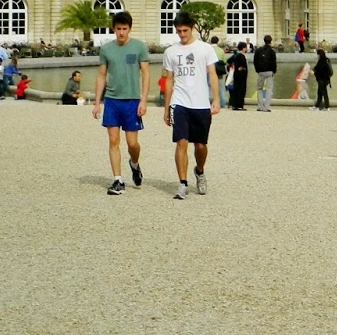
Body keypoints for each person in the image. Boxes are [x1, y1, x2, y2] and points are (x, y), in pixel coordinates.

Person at [162, 11, 221, 200]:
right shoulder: (171, 51)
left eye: (185, 30)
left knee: (201, 145)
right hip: (179, 102)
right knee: (181, 142)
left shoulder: (205, 49)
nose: (182, 34)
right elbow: (169, 79)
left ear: (192, 28)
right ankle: (182, 183)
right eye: (179, 31)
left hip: (201, 103)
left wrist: (216, 99)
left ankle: (200, 170)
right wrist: (166, 107)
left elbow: (212, 74)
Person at [94, 11, 151, 195]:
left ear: (129, 29)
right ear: (113, 29)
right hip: (112, 100)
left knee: (132, 144)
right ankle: (118, 179)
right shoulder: (106, 49)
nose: (121, 32)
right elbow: (101, 75)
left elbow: (146, 74)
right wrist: (97, 102)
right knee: (113, 140)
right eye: (118, 29)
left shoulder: (139, 47)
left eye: (124, 29)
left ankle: (134, 163)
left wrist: (143, 100)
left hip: (132, 101)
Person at [253, 35, 278, 112]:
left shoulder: (258, 50)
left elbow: (255, 61)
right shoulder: (272, 52)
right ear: (271, 41)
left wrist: (257, 70)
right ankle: (266, 107)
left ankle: (260, 106)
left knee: (259, 89)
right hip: (269, 71)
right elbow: (274, 63)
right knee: (269, 89)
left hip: (261, 71)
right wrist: (274, 71)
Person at [226, 41, 249, 111]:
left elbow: (229, 60)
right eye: (245, 47)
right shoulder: (241, 56)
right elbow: (243, 66)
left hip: (236, 75)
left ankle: (235, 105)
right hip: (241, 76)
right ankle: (239, 105)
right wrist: (241, 68)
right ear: (243, 48)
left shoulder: (236, 55)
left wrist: (232, 66)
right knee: (241, 90)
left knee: (236, 89)